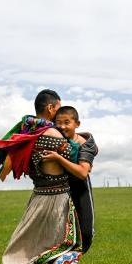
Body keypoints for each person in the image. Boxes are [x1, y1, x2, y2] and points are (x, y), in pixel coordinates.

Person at [0, 90, 97, 264]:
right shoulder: (54, 135)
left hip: (39, 195)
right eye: (59, 111)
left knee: (47, 247)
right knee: (74, 247)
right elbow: (79, 165)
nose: (62, 117)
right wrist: (87, 142)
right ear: (51, 108)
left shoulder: (27, 131)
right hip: (60, 197)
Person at [52, 105, 97, 255]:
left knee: (86, 232)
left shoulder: (86, 144)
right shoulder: (52, 139)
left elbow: (83, 172)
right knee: (58, 232)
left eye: (67, 122)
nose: (62, 126)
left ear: (77, 124)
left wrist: (58, 158)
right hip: (58, 188)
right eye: (58, 122)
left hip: (80, 188)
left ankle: (69, 261)